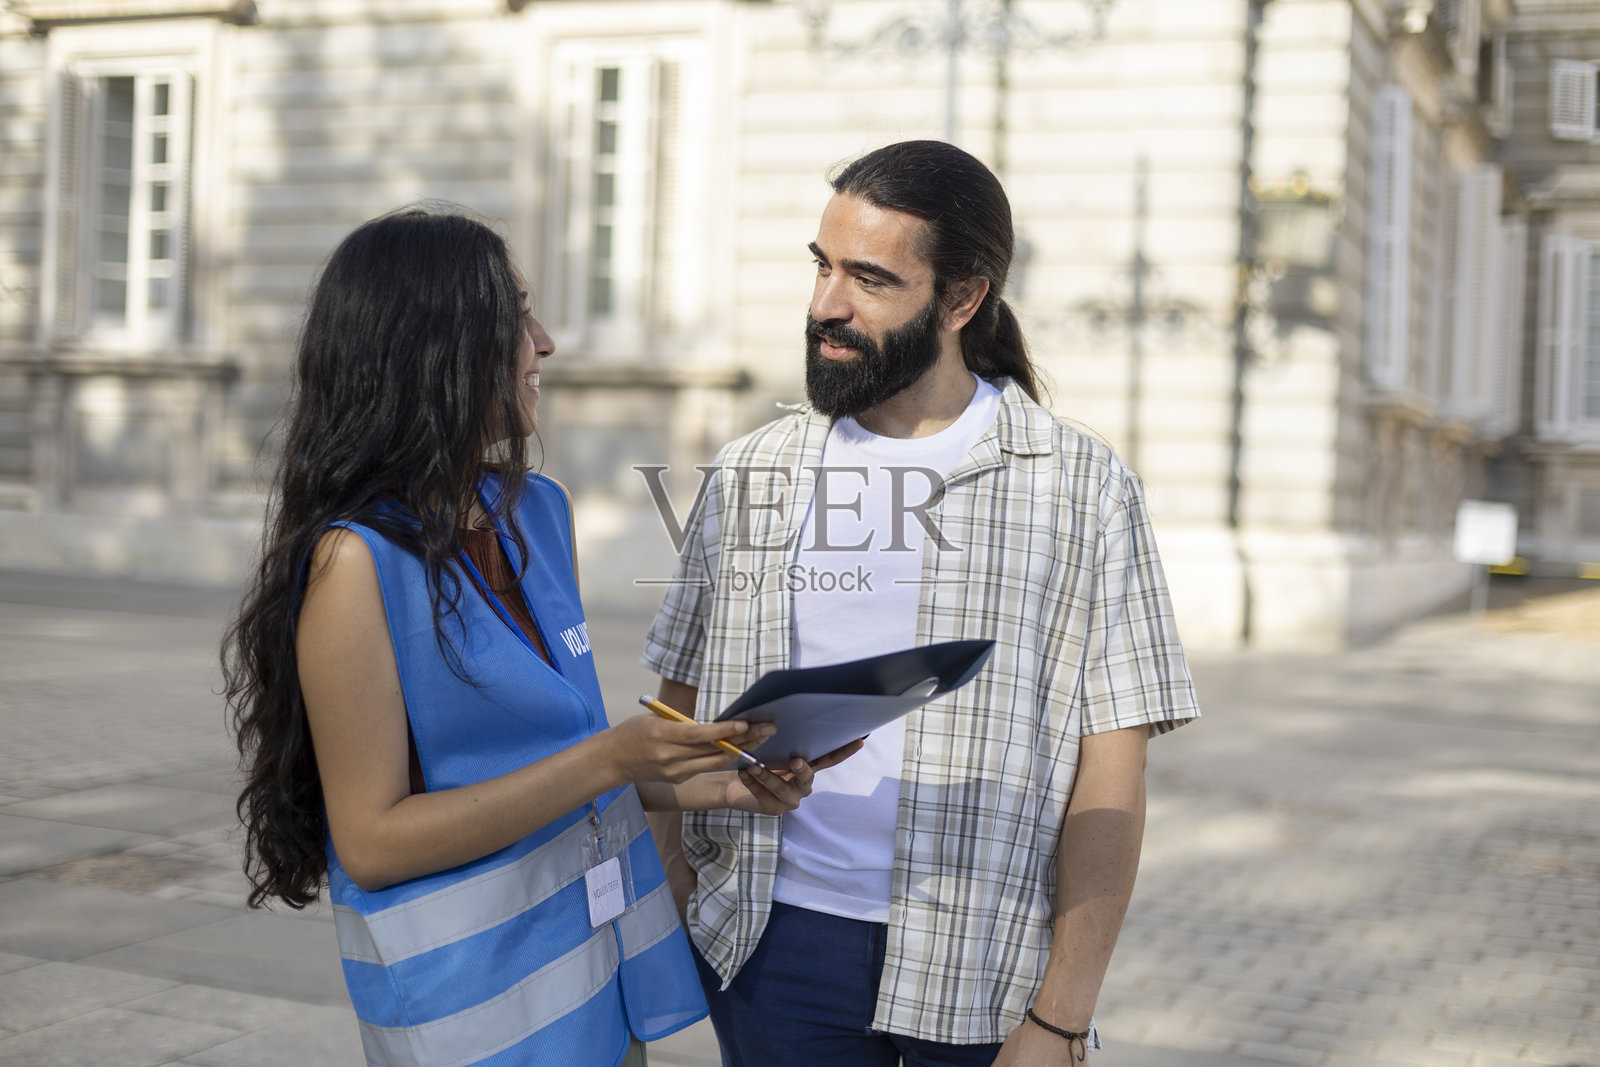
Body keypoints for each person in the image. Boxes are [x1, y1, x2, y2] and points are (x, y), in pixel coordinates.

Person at [222, 207, 850, 1067]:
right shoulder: (353, 561)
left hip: (602, 969)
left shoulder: (536, 513)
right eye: (514, 315)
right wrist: (612, 759)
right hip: (478, 1007)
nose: (543, 341)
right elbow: (370, 841)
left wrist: (716, 783)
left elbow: (551, 761)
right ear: (435, 348)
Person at [643, 141, 1201, 1066]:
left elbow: (1112, 776)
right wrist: (668, 918)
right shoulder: (750, 474)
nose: (827, 303)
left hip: (982, 959)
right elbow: (676, 714)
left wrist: (1062, 1017)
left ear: (961, 299)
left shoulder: (1081, 487)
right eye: (823, 267)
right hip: (771, 950)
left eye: (869, 278)